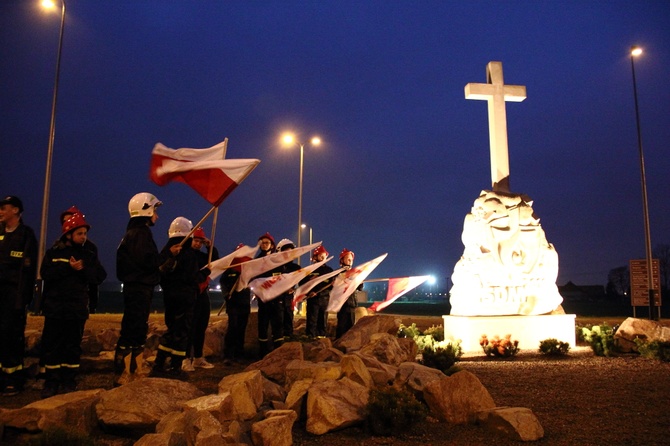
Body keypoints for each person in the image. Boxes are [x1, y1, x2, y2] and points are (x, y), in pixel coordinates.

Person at [40, 213, 106, 398]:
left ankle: (69, 380)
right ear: (68, 234)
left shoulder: (88, 254)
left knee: (72, 346)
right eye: (80, 233)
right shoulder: (53, 253)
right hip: (55, 308)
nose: (83, 236)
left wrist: (83, 269)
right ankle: (51, 381)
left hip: (76, 309)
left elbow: (99, 276)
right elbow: (45, 273)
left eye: (84, 233)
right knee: (53, 345)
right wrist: (67, 268)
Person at [114, 192, 164, 385]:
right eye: (155, 211)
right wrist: (167, 254)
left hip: (137, 288)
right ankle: (126, 373)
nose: (156, 216)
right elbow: (149, 261)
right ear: (146, 209)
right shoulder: (140, 234)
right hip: (139, 289)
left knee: (135, 327)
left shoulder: (133, 233)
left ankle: (133, 370)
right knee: (133, 329)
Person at [152, 217, 209, 379]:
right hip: (186, 299)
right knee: (182, 333)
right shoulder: (188, 253)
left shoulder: (168, 249)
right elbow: (193, 277)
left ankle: (159, 364)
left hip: (169, 298)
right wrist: (206, 272)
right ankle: (176, 367)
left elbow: (160, 272)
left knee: (171, 331)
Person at [0, 196, 37, 396]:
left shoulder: (25, 235)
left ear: (15, 210)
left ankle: (13, 380)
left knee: (11, 336)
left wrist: (22, 297)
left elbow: (28, 270)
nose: (0, 212)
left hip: (13, 295)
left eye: (3, 208)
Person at [182, 226, 218, 372]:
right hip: (191, 294)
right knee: (190, 327)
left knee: (201, 327)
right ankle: (185, 359)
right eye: (195, 241)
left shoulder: (203, 257)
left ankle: (198, 357)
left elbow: (214, 261)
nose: (197, 244)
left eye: (200, 242)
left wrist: (210, 247)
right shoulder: (186, 255)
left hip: (203, 294)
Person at [59, 206, 101, 314]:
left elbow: (95, 279)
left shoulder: (90, 249)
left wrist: (92, 306)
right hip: (59, 302)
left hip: (80, 301)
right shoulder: (57, 248)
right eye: (65, 221)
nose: (67, 223)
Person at [221, 243, 252, 364]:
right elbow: (223, 282)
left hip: (244, 303)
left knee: (241, 329)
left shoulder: (248, 270)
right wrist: (225, 294)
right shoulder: (230, 269)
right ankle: (228, 354)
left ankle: (240, 353)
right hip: (232, 303)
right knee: (232, 328)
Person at [254, 232, 283, 357]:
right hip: (263, 300)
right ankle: (263, 352)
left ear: (272, 245)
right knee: (263, 325)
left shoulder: (277, 260)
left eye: (267, 243)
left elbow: (283, 277)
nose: (264, 245)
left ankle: (278, 351)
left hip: (276, 299)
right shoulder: (256, 261)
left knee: (277, 326)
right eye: (262, 243)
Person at [302, 245, 333, 338]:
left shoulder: (329, 270)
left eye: (324, 255)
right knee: (312, 319)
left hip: (324, 299)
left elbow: (332, 285)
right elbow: (302, 284)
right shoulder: (309, 270)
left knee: (322, 319)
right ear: (315, 257)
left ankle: (321, 337)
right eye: (321, 255)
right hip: (313, 299)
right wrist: (309, 292)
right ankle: (310, 337)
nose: (323, 257)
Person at [275, 238, 301, 338]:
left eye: (290, 251)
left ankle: (289, 338)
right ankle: (278, 340)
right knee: (278, 319)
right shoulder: (275, 267)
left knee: (289, 317)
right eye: (286, 251)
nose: (288, 254)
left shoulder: (296, 268)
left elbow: (302, 281)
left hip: (289, 298)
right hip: (277, 299)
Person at [336, 248, 361, 338]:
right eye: (348, 259)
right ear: (342, 260)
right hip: (342, 305)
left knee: (350, 327)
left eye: (351, 259)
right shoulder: (338, 273)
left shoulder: (354, 273)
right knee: (342, 326)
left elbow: (359, 288)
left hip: (352, 304)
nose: (350, 261)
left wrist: (360, 281)